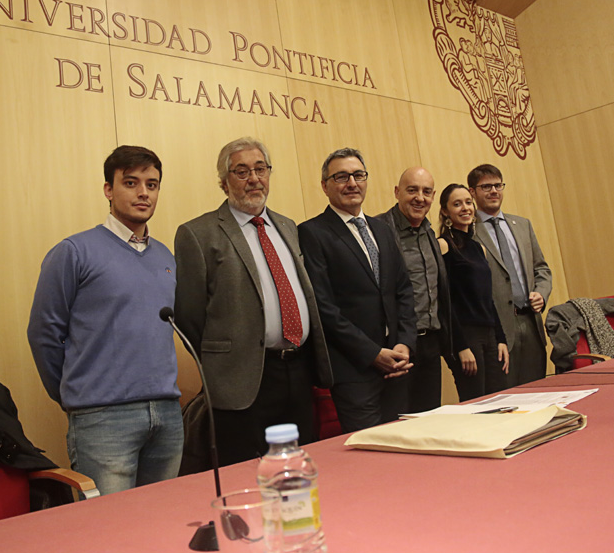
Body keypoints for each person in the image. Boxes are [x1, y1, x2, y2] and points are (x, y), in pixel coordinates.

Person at [27, 145, 182, 495]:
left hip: (167, 414)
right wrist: (76, 394)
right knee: (113, 534)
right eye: (131, 182)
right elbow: (44, 334)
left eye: (152, 184)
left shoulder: (165, 256)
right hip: (103, 419)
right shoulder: (74, 251)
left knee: (163, 523)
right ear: (108, 190)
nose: (143, 192)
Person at [174, 137, 332, 467]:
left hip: (299, 370)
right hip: (242, 379)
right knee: (246, 472)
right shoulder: (198, 234)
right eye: (242, 171)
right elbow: (189, 317)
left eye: (260, 169)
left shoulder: (287, 226)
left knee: (301, 465)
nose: (254, 178)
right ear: (224, 181)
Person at [299, 148, 416, 432]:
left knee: (405, 450)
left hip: (398, 367)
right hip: (354, 372)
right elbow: (324, 308)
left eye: (358, 175)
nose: (352, 183)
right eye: (341, 177)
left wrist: (404, 344)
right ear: (325, 186)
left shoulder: (383, 229)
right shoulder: (312, 233)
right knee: (370, 460)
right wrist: (373, 353)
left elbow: (403, 291)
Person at [375, 167, 466, 413]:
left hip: (431, 344)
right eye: (412, 190)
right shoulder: (379, 230)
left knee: (429, 418)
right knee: (399, 420)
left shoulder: (429, 232)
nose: (420, 198)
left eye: (426, 192)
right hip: (398, 345)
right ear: (397, 192)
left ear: (434, 196)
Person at [468, 164, 552, 385]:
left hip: (531, 322)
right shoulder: (469, 231)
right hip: (497, 330)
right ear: (472, 192)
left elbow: (542, 269)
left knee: (538, 390)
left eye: (498, 185)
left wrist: (541, 294)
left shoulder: (522, 225)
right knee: (507, 395)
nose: (494, 191)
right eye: (486, 186)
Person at [437, 183, 509, 399]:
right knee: (476, 403)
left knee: (500, 401)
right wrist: (460, 346)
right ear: (445, 211)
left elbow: (488, 299)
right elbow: (444, 301)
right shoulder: (442, 245)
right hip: (465, 336)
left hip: (489, 334)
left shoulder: (480, 248)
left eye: (468, 202)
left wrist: (501, 339)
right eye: (457, 204)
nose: (465, 208)